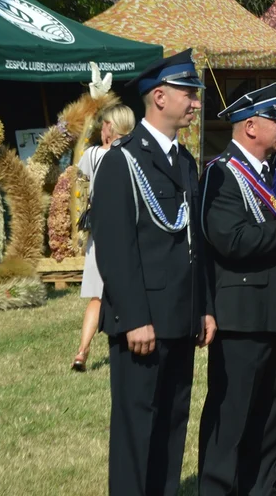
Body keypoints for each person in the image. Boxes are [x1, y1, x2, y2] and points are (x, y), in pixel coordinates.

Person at [90, 49, 216, 496]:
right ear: (159, 97)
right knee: (136, 430)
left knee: (171, 423)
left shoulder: (184, 161)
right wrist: (135, 317)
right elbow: (116, 250)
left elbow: (192, 243)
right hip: (143, 321)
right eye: (189, 93)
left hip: (180, 317)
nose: (196, 102)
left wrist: (203, 308)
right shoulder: (121, 161)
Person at [197, 84, 276, 496]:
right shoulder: (221, 173)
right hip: (241, 316)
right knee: (232, 415)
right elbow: (231, 240)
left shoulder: (275, 176)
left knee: (271, 414)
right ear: (250, 125)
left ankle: (263, 487)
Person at [72, 104, 135, 372]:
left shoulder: (93, 155)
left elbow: (80, 184)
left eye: (105, 123)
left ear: (112, 126)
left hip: (100, 233)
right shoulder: (136, 155)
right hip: (130, 231)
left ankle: (82, 351)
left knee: (96, 298)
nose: (102, 128)